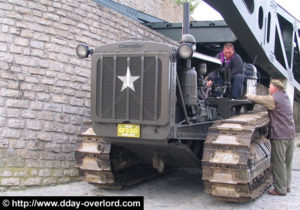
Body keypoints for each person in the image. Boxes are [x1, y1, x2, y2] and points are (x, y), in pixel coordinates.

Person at [246, 79, 296, 196]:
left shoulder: (274, 98)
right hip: (290, 134)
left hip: (280, 136)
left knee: (278, 162)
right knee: (287, 162)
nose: (268, 89)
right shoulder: (285, 97)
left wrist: (248, 95)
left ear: (275, 88)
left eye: (270, 87)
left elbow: (261, 99)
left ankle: (280, 189)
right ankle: (286, 186)